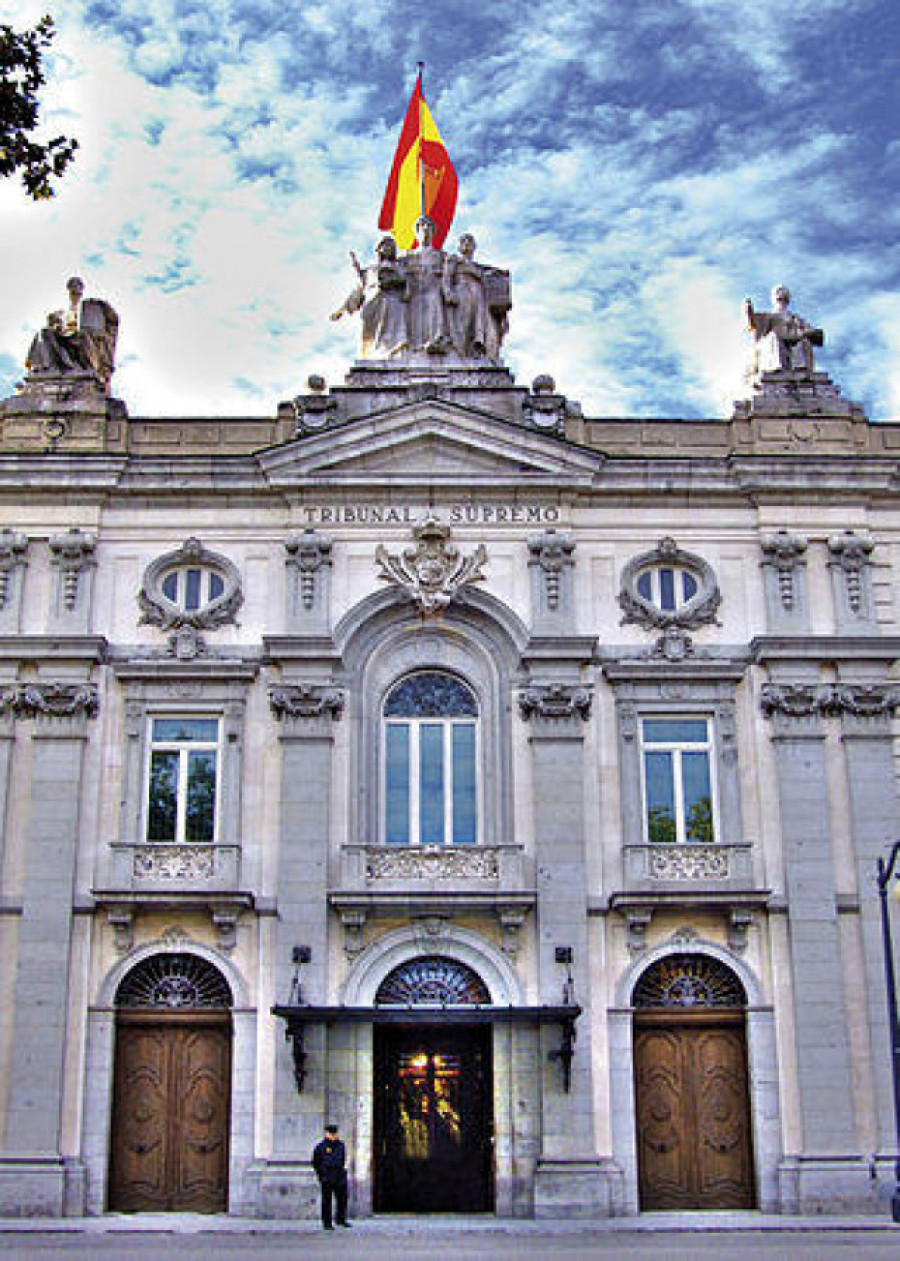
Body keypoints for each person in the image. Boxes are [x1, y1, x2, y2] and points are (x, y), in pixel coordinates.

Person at [26, 276, 119, 391]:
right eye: (72, 286)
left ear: (82, 289)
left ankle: (81, 366)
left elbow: (110, 322)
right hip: (64, 337)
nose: (75, 289)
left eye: (77, 286)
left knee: (83, 335)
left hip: (81, 338)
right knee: (44, 332)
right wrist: (57, 325)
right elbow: (56, 324)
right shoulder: (64, 311)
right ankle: (48, 367)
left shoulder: (88, 305)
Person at [331, 237, 409, 360]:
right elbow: (357, 292)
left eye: (391, 247)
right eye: (386, 246)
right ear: (379, 250)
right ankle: (371, 355)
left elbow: (406, 282)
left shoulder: (399, 268)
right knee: (369, 334)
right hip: (372, 303)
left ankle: (393, 354)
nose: (389, 249)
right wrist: (341, 311)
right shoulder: (370, 270)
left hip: (392, 301)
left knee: (393, 332)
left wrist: (393, 281)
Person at [743, 284, 823, 379]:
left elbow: (810, 331)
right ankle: (776, 368)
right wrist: (748, 311)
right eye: (778, 293)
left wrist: (811, 333)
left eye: (783, 293)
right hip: (774, 343)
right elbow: (754, 324)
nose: (781, 295)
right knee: (774, 337)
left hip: (793, 341)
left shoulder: (795, 317)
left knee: (803, 342)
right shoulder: (769, 316)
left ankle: (800, 370)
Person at [312, 1123, 351, 1230]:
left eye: (335, 1134)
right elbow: (316, 1162)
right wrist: (322, 1175)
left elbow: (343, 1159)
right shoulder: (321, 1147)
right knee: (327, 1201)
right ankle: (327, 1222)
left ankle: (340, 1219)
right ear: (327, 1134)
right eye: (331, 1134)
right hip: (327, 1176)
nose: (333, 1136)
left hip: (339, 1175)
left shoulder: (340, 1145)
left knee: (342, 1198)